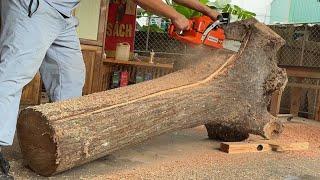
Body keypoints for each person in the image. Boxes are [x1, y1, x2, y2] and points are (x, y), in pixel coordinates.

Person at [0, 0, 220, 178]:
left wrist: (205, 10)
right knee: (12, 74)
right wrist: (174, 15)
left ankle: (60, 140)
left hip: (63, 14)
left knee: (71, 76)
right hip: (36, 5)